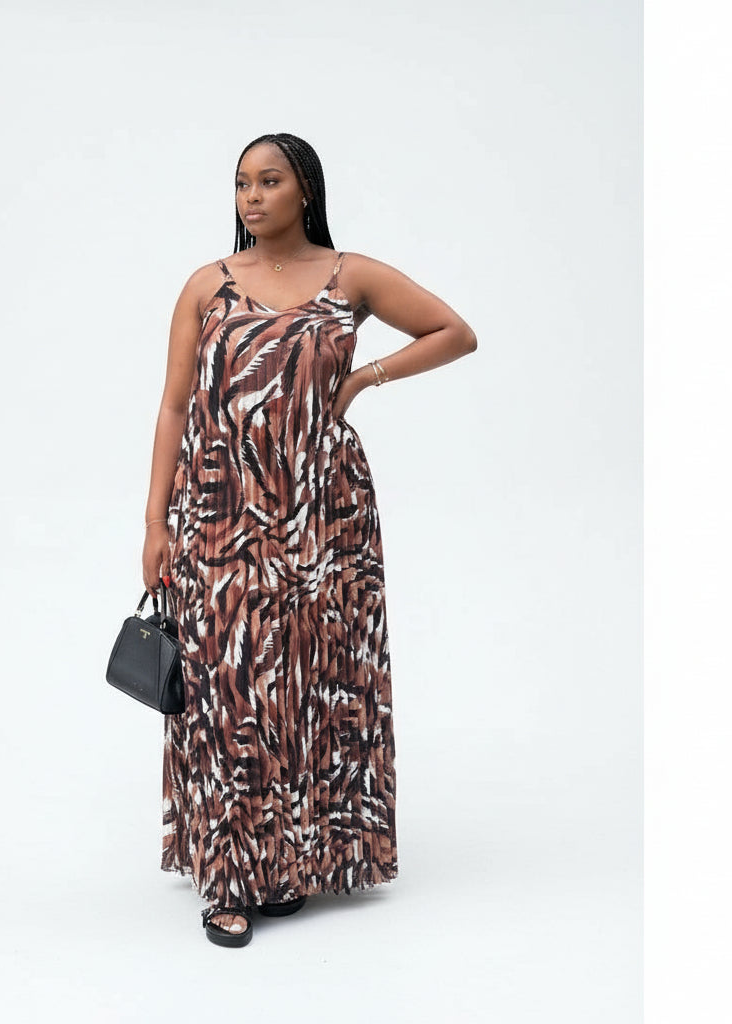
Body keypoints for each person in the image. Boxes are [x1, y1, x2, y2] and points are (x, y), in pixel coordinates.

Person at [141, 132, 477, 947]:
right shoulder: (207, 286)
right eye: (241, 184)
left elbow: (454, 331)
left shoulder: (349, 276)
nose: (251, 198)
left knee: (313, 680)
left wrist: (362, 377)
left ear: (306, 192)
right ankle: (227, 876)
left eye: (268, 181)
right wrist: (155, 522)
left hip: (326, 510)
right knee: (227, 690)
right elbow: (175, 406)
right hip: (220, 510)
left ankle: (290, 861)